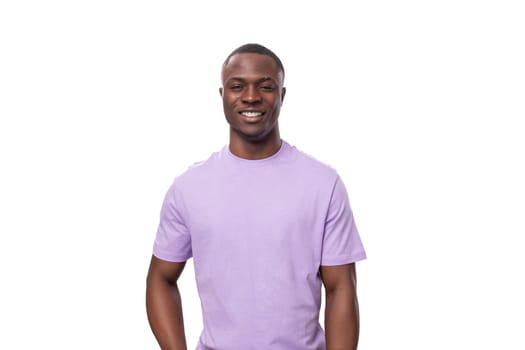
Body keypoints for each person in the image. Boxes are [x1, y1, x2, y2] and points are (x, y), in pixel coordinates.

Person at [146, 43, 367, 350]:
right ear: (222, 95)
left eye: (266, 86)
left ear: (282, 95)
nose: (251, 96)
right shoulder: (188, 188)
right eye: (237, 86)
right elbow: (161, 278)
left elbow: (341, 287)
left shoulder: (322, 183)